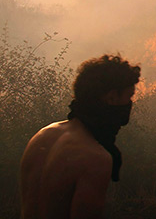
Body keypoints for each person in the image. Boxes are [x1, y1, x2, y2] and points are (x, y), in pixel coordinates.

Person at [20, 54, 140, 219]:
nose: (130, 104)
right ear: (112, 98)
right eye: (129, 97)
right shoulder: (95, 158)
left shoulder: (43, 135)